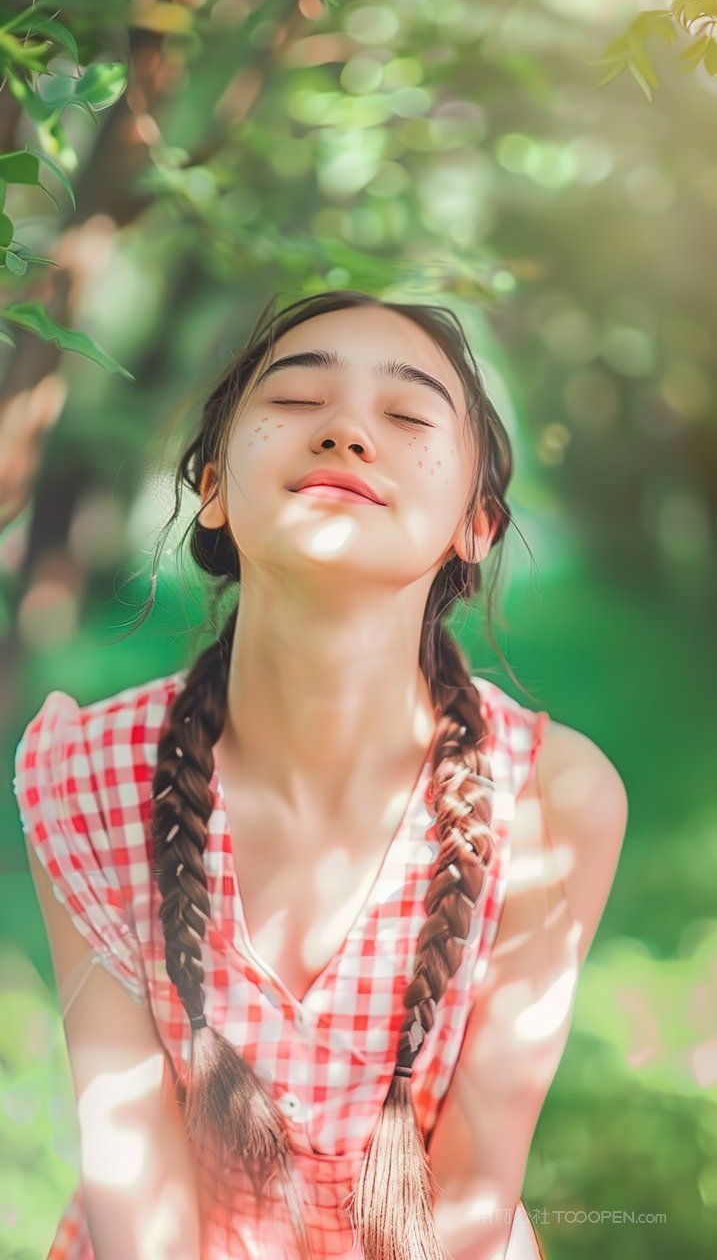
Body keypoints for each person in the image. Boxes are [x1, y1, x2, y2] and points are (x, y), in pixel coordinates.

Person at [13, 289, 628, 1260]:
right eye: (296, 401)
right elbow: (133, 1178)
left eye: (408, 414)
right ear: (212, 486)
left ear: (476, 522)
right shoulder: (88, 773)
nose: (345, 430)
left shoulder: (553, 797)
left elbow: (474, 1190)